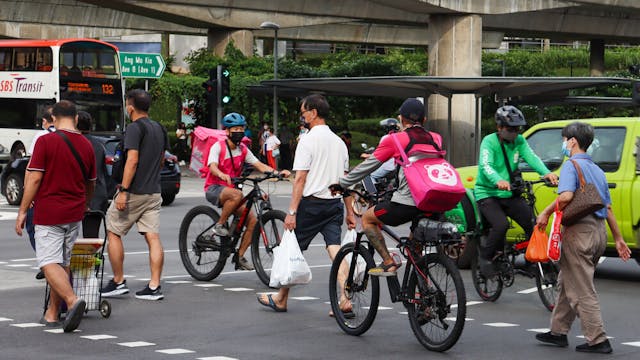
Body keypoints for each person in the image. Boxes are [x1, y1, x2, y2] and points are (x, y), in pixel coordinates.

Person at [534, 122, 631, 354]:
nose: (564, 143)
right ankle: (558, 331)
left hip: (579, 232)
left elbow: (566, 196)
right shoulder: (597, 170)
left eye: (565, 139)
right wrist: (618, 239)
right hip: (599, 233)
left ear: (573, 141)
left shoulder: (571, 165)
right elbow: (607, 208)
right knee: (567, 282)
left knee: (581, 288)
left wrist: (546, 213)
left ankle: (598, 339)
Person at [257, 94, 352, 312]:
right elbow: (346, 181)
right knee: (335, 249)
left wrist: (291, 212)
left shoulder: (307, 141)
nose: (302, 117)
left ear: (313, 113)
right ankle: (345, 297)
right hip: (334, 203)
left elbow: (300, 179)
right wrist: (349, 211)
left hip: (311, 204)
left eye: (303, 113)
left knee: (291, 248)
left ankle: (281, 298)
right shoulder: (339, 143)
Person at [334, 98, 442, 276]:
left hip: (408, 202)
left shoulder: (396, 139)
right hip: (433, 201)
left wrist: (342, 183)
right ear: (424, 120)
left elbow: (369, 166)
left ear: (401, 119)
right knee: (415, 250)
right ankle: (421, 293)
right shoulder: (436, 138)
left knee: (368, 219)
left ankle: (388, 261)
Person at [15, 100, 96, 332]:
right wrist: (85, 204)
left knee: (48, 262)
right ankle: (52, 313)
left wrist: (22, 210)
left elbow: (34, 179)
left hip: (49, 211)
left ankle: (72, 301)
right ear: (77, 118)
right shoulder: (87, 145)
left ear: (53, 119)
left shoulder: (45, 142)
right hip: (74, 213)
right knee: (63, 263)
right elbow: (91, 183)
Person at [100, 89, 169, 301]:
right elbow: (162, 160)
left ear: (130, 107)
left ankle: (119, 281)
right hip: (153, 191)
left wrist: (124, 191)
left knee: (113, 231)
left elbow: (132, 160)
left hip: (134, 192)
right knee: (153, 237)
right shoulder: (160, 128)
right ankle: (154, 285)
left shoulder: (134, 128)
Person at [474, 105, 559, 276]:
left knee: (534, 223)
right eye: (510, 129)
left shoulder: (519, 141)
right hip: (488, 193)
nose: (514, 132)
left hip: (510, 193)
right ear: (499, 128)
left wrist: (547, 173)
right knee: (501, 225)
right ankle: (485, 257)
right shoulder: (489, 142)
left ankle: (530, 261)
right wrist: (498, 180)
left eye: (517, 129)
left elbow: (532, 158)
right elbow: (486, 166)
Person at [204, 112, 289, 270]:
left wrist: (277, 173)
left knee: (253, 221)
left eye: (241, 129)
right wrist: (222, 174)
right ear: (227, 131)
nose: (239, 132)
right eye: (235, 129)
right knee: (237, 194)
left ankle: (239, 256)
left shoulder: (243, 149)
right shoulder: (218, 146)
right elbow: (212, 166)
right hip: (214, 188)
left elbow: (259, 165)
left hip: (232, 190)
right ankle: (220, 224)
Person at [26, 106, 55, 280]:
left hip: (41, 193)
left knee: (33, 227)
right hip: (62, 195)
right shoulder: (70, 136)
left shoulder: (41, 137)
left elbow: (31, 169)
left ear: (45, 121)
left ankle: (48, 265)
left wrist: (27, 193)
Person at [77, 111, 109, 213]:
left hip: (76, 195)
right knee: (91, 229)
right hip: (97, 196)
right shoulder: (99, 145)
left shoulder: (72, 143)